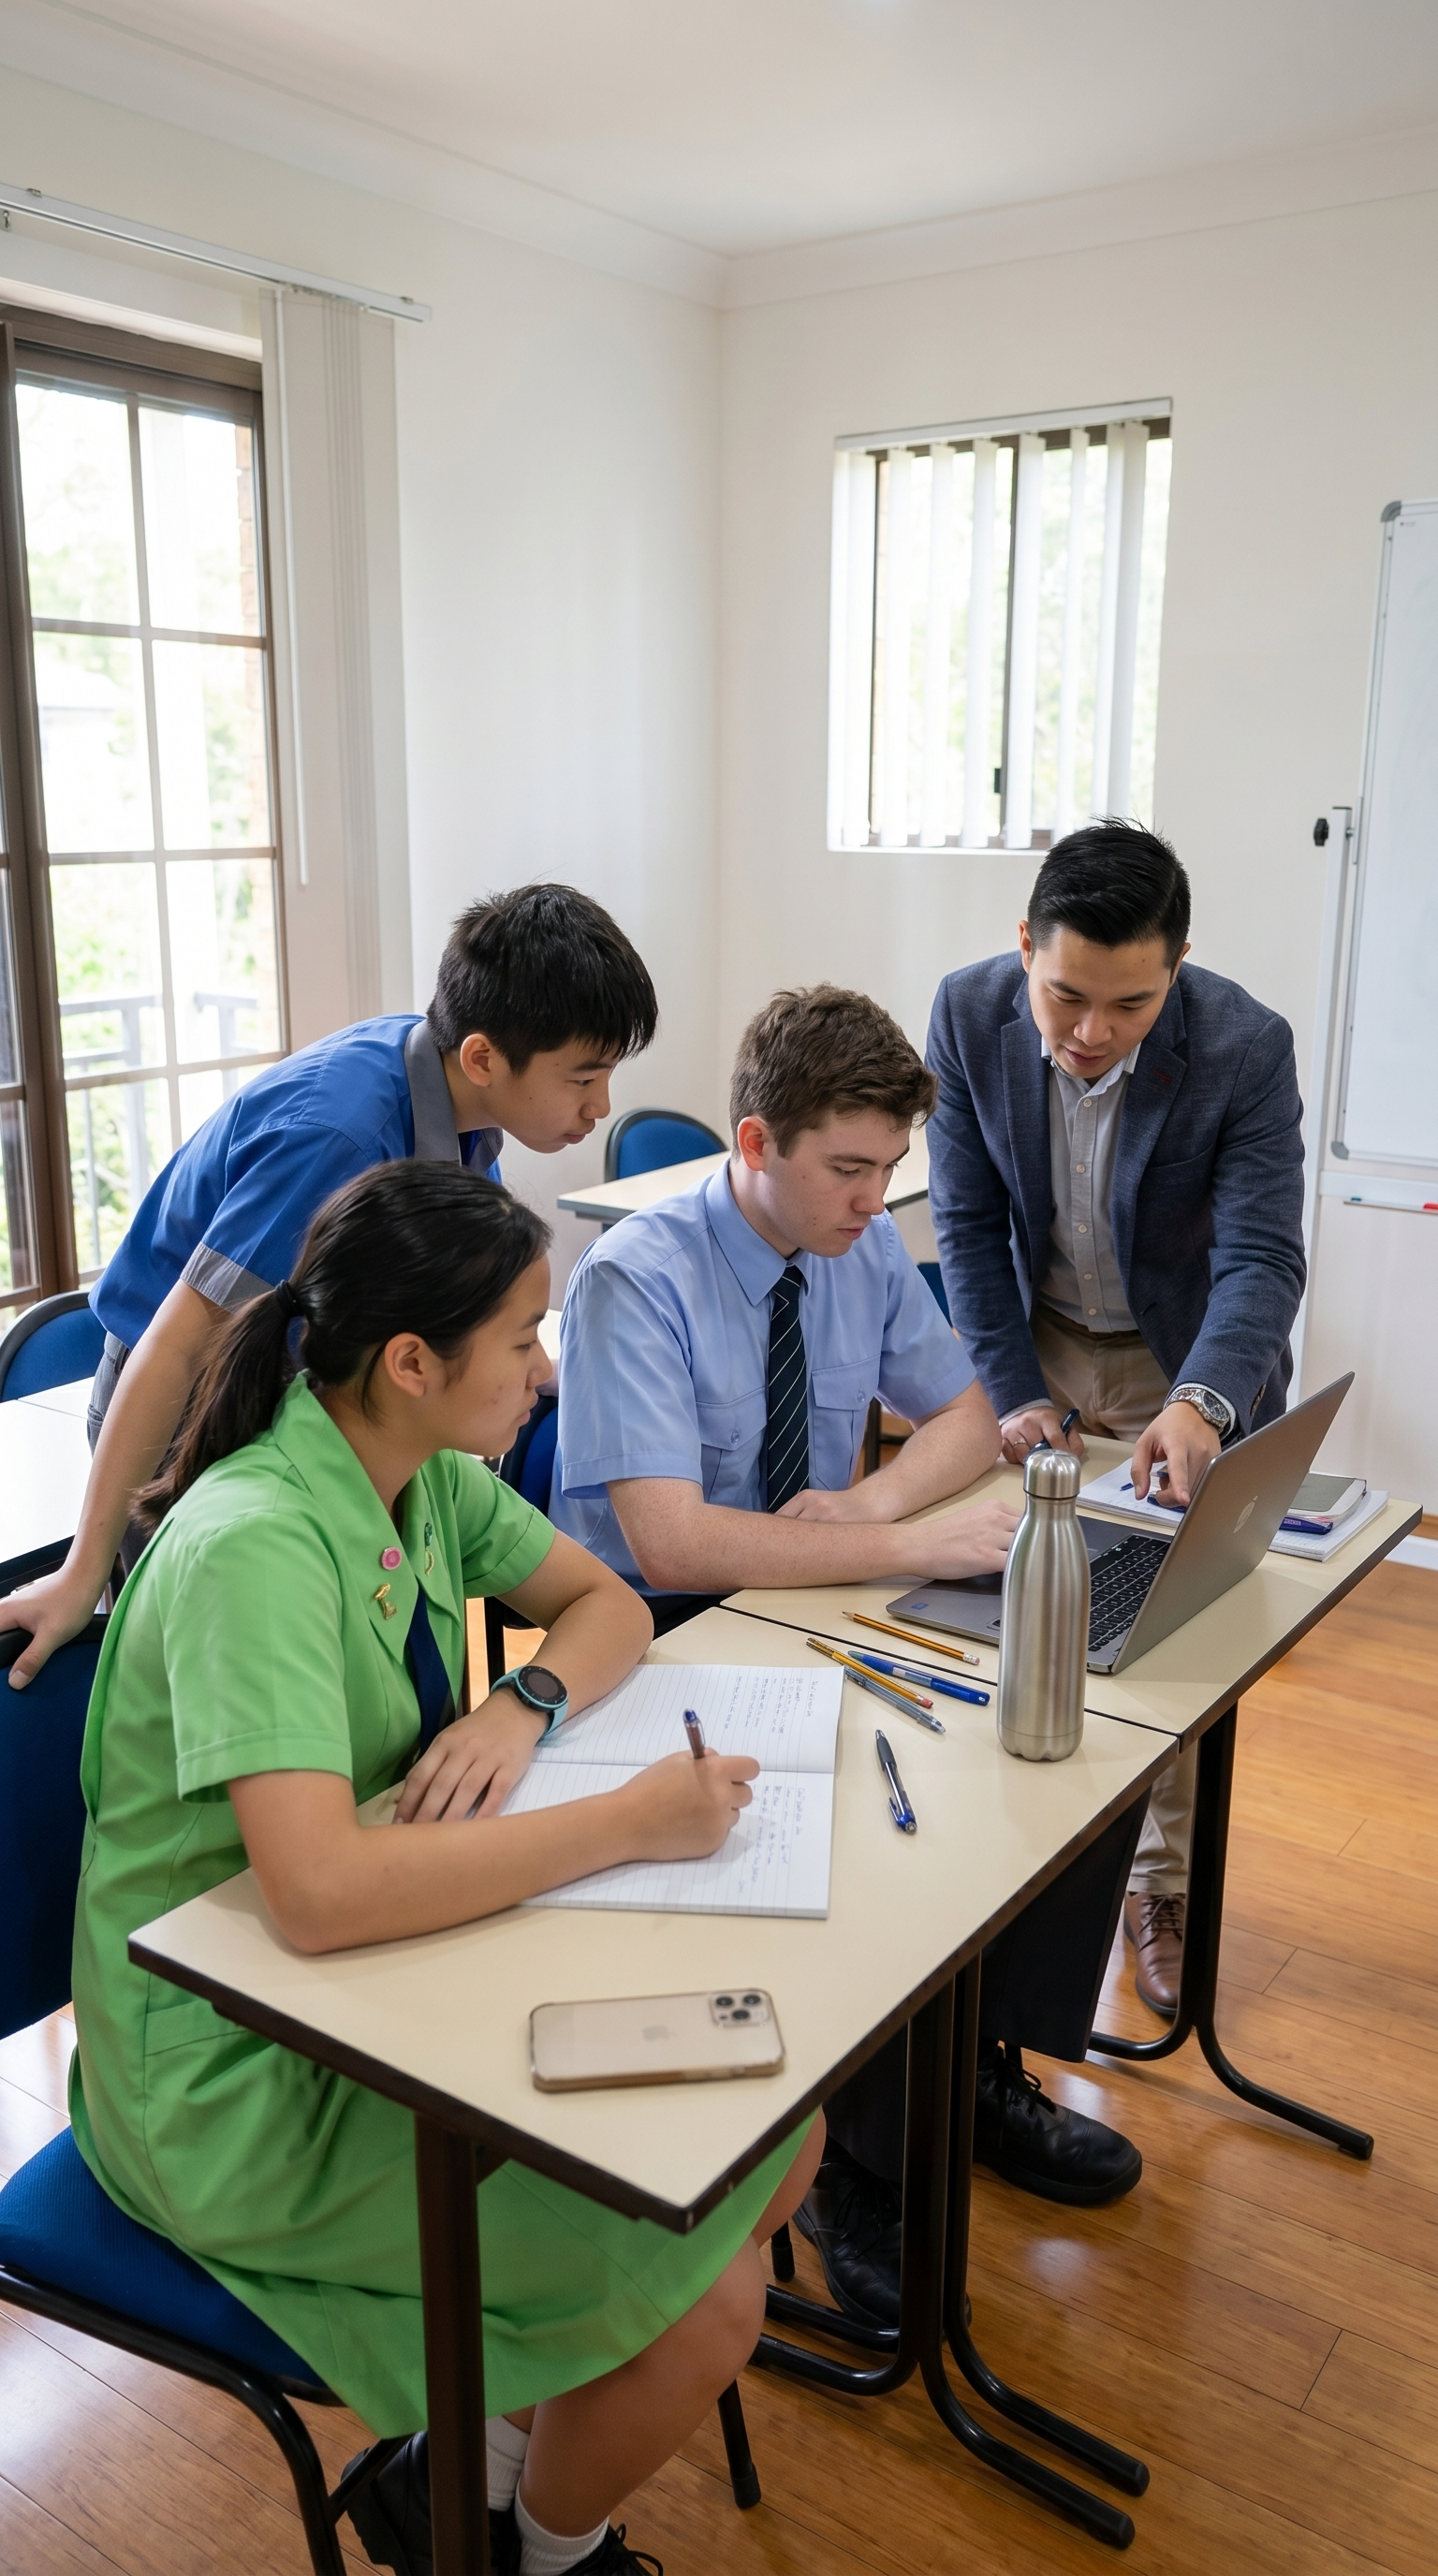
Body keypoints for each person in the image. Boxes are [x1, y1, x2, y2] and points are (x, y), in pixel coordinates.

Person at [64, 1159, 821, 2576]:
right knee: (715, 2296)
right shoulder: (255, 1543)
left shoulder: (416, 1475)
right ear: (412, 1362)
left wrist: (520, 1704)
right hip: (230, 2075)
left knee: (782, 2138)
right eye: (524, 1337)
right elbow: (317, 1896)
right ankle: (542, 2556)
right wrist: (624, 1822)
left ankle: (460, 2490)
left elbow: (605, 1604)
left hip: (377, 1989)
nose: (544, 1369)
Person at [550, 985, 1148, 2330]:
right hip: (660, 1642)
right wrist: (904, 1545)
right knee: (888, 1818)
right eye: (849, 1169)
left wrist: (872, 1505)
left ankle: (974, 2064)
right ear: (757, 1142)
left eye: (890, 1168)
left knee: (1067, 1757)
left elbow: (972, 1411)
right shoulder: (636, 1278)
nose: (878, 1201)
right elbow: (671, 1543)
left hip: (812, 1596)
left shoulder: (857, 1244)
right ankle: (849, 2166)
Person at [1, 881, 657, 1689]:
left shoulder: (458, 1096)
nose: (601, 1105)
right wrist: (82, 1570)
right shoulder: (337, 1138)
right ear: (485, 1058)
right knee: (241, 1670)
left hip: (300, 1403)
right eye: (583, 1078)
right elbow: (174, 1346)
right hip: (184, 1410)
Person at [925, 823, 1305, 2016]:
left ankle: (1158, 1885)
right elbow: (965, 1223)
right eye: (1066, 997)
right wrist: (1012, 1386)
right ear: (1023, 948)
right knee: (1005, 1599)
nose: (1091, 1031)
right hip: (1036, 1342)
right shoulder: (965, 1015)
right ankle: (999, 1864)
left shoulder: (1245, 1045)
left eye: (1131, 1004)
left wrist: (1203, 1401)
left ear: (1178, 967)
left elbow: (1261, 1259)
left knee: (1158, 1632)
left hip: (1172, 1357)